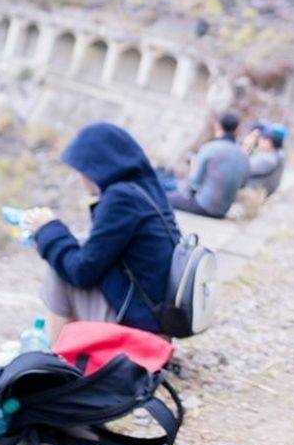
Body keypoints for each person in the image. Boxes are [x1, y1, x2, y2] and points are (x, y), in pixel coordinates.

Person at [19, 122, 180, 340]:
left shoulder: (121, 198)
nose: (81, 178)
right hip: (155, 311)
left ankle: (57, 354)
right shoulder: (145, 187)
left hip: (141, 321)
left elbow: (81, 271)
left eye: (83, 171)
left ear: (97, 168)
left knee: (59, 271)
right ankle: (67, 350)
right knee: (67, 253)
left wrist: (47, 228)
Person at [164, 111, 250, 219]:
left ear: (218, 126)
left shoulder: (211, 147)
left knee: (162, 195)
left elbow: (194, 183)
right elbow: (242, 184)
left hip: (203, 206)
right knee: (170, 184)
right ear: (237, 129)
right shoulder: (244, 155)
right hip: (223, 210)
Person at [242, 121, 287, 196]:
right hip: (253, 192)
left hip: (251, 194)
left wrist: (246, 146)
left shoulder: (268, 159)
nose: (259, 141)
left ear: (270, 142)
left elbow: (240, 168)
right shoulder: (274, 155)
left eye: (262, 138)